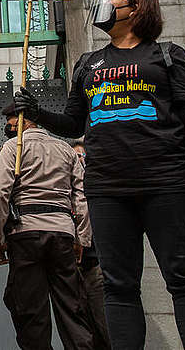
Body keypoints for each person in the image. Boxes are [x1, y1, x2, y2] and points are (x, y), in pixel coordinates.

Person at [11, 0, 185, 350]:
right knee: (119, 285)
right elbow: (75, 123)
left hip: (165, 182)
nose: (105, 4)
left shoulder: (168, 55)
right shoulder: (88, 63)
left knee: (184, 278)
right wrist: (37, 112)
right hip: (107, 188)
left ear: (137, 8)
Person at [0, 103, 93, 350]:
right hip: (62, 233)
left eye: (11, 124)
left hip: (26, 234)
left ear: (23, 122)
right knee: (72, 310)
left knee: (31, 314)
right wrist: (82, 238)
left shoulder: (13, 147)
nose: (8, 129)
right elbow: (82, 198)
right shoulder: (65, 150)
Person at [70, 140, 110, 350]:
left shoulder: (100, 189)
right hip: (74, 271)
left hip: (97, 269)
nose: (81, 162)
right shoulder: (67, 193)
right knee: (85, 334)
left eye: (83, 157)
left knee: (106, 327)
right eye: (76, 158)